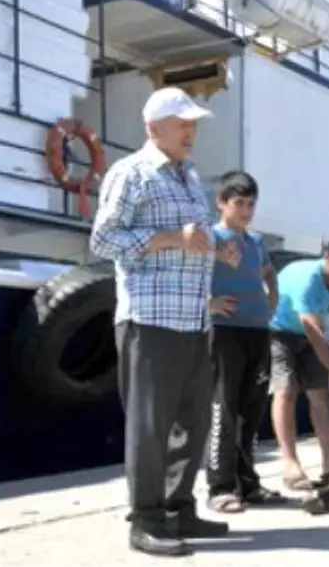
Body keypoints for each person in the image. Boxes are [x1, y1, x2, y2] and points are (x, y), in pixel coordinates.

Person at [89, 86, 227, 556]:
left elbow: (192, 238)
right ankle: (145, 520)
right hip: (150, 319)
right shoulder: (132, 173)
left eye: (193, 124)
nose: (192, 131)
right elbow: (102, 240)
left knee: (193, 421)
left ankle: (179, 508)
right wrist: (173, 237)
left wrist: (213, 246)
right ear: (154, 129)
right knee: (150, 426)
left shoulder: (189, 175)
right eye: (183, 123)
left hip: (192, 320)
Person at [203, 171, 285, 514]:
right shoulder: (211, 238)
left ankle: (248, 484)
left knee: (251, 411)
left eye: (251, 204)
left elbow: (267, 272)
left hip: (257, 331)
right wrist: (208, 303)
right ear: (222, 203)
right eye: (239, 203)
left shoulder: (256, 241)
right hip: (226, 332)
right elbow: (189, 274)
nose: (246, 211)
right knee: (224, 407)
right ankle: (220, 488)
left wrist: (273, 298)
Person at [268, 235, 329, 490]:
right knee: (286, 391)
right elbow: (316, 337)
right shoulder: (308, 280)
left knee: (320, 396)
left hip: (315, 330)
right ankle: (290, 464)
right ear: (327, 258)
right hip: (279, 330)